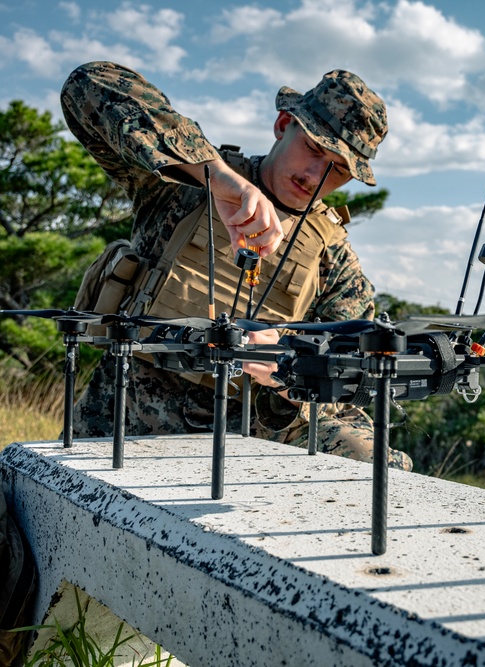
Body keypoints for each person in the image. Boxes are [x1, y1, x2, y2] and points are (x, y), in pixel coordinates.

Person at [61, 61, 411, 470]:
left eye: (338, 169)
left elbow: (351, 372)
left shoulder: (334, 257)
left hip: (242, 441)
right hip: (124, 418)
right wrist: (214, 176)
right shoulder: (184, 185)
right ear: (283, 124)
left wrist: (290, 362)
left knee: (381, 466)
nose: (316, 175)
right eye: (314, 148)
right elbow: (88, 84)